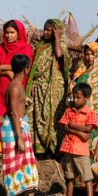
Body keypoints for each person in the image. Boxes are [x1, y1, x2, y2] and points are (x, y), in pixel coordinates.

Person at [71, 42, 98, 196]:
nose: (89, 57)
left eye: (92, 54)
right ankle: (83, 190)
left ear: (97, 55)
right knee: (82, 154)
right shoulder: (80, 71)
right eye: (86, 54)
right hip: (81, 119)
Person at [1, 54, 38, 196]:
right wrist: (19, 138)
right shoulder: (15, 87)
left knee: (24, 162)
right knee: (12, 162)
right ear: (26, 69)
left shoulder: (16, 85)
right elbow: (14, 113)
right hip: (14, 128)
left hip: (19, 126)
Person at [27, 18, 69, 156]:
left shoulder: (61, 44)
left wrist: (57, 38)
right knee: (38, 117)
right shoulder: (40, 46)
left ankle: (53, 149)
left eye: (49, 30)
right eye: (44, 29)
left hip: (54, 89)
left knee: (52, 118)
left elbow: (59, 55)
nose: (45, 32)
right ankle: (40, 149)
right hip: (38, 87)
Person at [59, 82, 98, 196]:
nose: (75, 100)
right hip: (68, 147)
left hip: (81, 149)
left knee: (87, 177)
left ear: (86, 98)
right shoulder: (69, 110)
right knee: (69, 177)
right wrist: (79, 132)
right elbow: (65, 127)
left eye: (78, 98)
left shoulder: (90, 112)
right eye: (74, 97)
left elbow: (89, 128)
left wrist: (72, 125)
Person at [0, 20, 33, 148]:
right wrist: (4, 71)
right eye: (7, 32)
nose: (9, 35)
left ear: (19, 33)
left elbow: (23, 66)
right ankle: (0, 149)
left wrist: (3, 67)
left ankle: (16, 144)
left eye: (12, 32)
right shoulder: (0, 48)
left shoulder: (25, 48)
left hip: (15, 88)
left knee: (15, 115)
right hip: (0, 88)